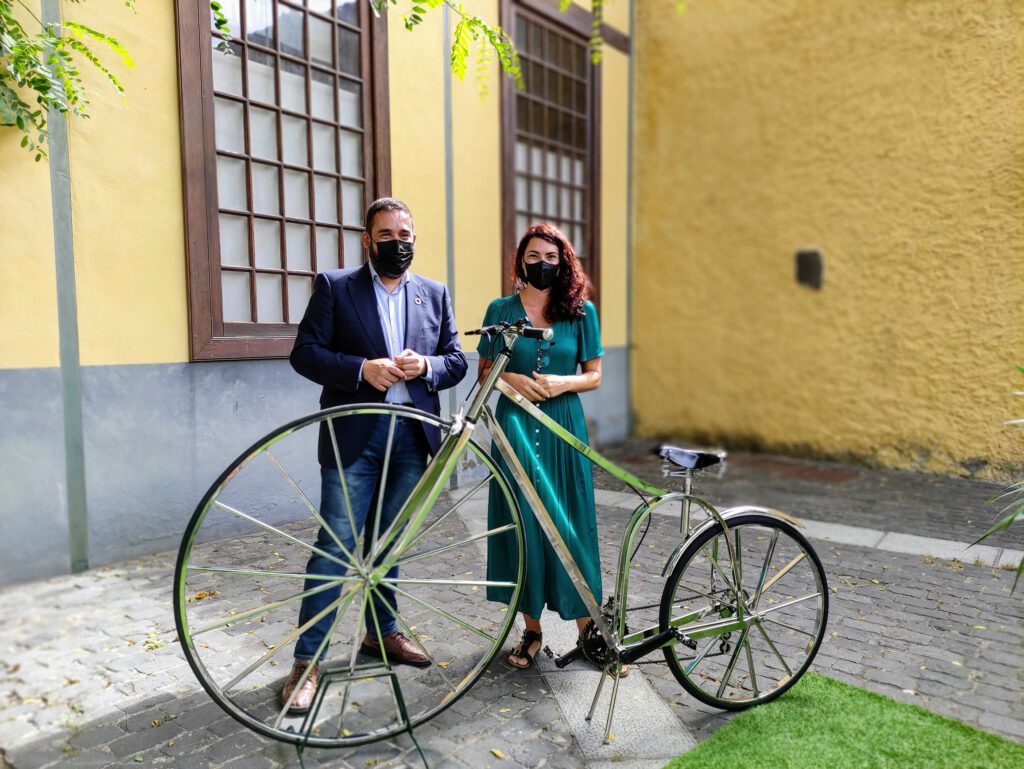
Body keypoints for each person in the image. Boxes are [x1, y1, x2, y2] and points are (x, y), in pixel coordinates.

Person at [282, 197, 468, 713]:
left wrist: (425, 366)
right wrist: (361, 369)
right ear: (368, 240)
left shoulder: (434, 293)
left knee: (390, 545)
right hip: (354, 437)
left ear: (415, 237)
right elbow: (304, 353)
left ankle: (380, 632)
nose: (397, 243)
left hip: (412, 437)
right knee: (336, 545)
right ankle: (307, 660)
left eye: (404, 234)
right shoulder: (335, 287)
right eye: (385, 235)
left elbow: (456, 361)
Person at [477, 223, 624, 674]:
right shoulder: (500, 309)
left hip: (563, 429)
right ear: (521, 260)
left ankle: (590, 631)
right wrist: (511, 379)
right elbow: (484, 374)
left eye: (551, 257)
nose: (542, 263)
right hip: (514, 429)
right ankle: (532, 629)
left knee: (571, 525)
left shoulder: (581, 312)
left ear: (564, 263)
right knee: (520, 525)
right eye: (534, 256)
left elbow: (594, 374)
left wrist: (563, 382)